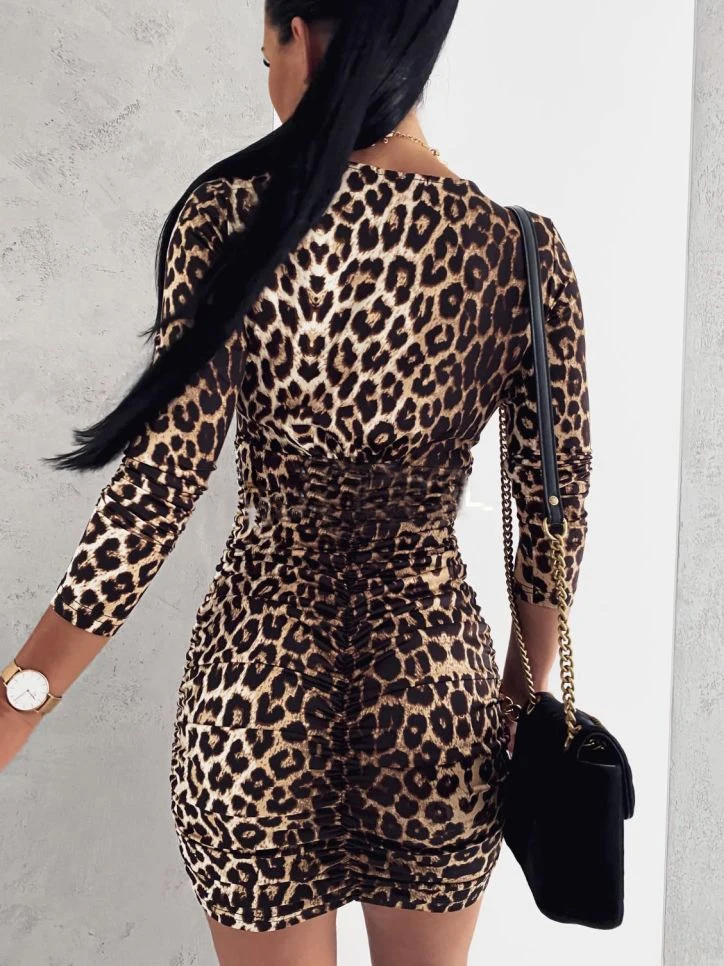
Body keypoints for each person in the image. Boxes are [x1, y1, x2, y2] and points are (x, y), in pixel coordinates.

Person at [0, 2, 593, 964]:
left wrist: (18, 700)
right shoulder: (524, 251)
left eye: (265, 51)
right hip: (435, 707)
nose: (269, 76)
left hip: (252, 695)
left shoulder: (233, 217)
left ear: (305, 35)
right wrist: (523, 708)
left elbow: (158, 487)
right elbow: (553, 519)